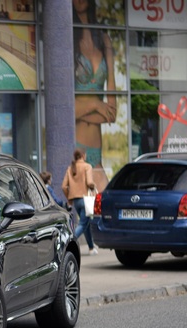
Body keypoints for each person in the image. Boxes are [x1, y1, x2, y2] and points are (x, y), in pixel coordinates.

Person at [73, 0, 116, 192]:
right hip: (75, 147)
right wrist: (96, 104)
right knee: (80, 214)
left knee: (104, 206)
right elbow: (65, 110)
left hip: (96, 151)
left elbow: (111, 114)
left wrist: (82, 108)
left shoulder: (103, 41)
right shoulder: (68, 40)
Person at [62, 148, 98, 255]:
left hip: (76, 201)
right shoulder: (87, 166)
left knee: (85, 224)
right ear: (83, 155)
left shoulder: (70, 168)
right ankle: (66, 244)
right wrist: (94, 186)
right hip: (87, 199)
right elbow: (90, 182)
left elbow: (64, 186)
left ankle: (91, 248)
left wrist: (69, 198)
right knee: (83, 224)